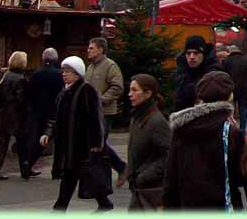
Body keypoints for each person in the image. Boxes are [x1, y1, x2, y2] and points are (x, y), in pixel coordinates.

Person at [164, 71, 245, 210]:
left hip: (188, 205)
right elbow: (239, 175)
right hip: (222, 205)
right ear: (230, 96)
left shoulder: (181, 129)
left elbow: (171, 174)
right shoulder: (230, 132)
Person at [41, 56, 113, 212]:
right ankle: (102, 203)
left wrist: (96, 142)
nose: (64, 74)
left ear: (77, 73)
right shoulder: (64, 92)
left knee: (79, 175)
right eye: (63, 71)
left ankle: (61, 208)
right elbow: (55, 117)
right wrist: (48, 133)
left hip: (82, 145)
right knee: (71, 175)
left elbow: (95, 117)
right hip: (68, 143)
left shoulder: (86, 90)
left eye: (68, 71)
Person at [118, 74, 170, 211]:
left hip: (151, 192)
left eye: (135, 90)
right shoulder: (136, 117)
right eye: (130, 90)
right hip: (138, 189)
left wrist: (144, 176)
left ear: (148, 93)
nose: (130, 94)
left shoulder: (157, 121)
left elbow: (169, 156)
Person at [85, 38, 127, 179]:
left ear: (100, 49)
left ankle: (98, 175)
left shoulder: (110, 66)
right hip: (91, 112)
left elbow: (118, 87)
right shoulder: (90, 67)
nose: (88, 50)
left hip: (105, 113)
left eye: (91, 48)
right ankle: (121, 168)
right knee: (96, 143)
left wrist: (101, 100)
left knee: (99, 143)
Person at [0, 51, 32, 180]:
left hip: (5, 114)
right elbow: (22, 100)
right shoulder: (21, 79)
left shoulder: (6, 76)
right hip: (17, 116)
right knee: (22, 144)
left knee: (2, 144)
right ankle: (26, 170)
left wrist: (2, 105)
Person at [26, 48, 63, 165]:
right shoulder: (60, 74)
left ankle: (30, 162)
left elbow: (29, 93)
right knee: (59, 140)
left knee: (40, 137)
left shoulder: (35, 74)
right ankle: (57, 169)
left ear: (43, 58)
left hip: (38, 111)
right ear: (56, 59)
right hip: (56, 110)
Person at [174, 35, 224, 112]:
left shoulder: (213, 72)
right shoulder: (181, 68)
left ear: (203, 54)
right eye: (188, 53)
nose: (192, 57)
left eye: (196, 53)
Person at [223, 45, 247, 130]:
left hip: (230, 89)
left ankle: (231, 130)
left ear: (230, 51)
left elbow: (224, 75)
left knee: (230, 111)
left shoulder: (226, 61)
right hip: (244, 89)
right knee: (243, 111)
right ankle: (242, 131)